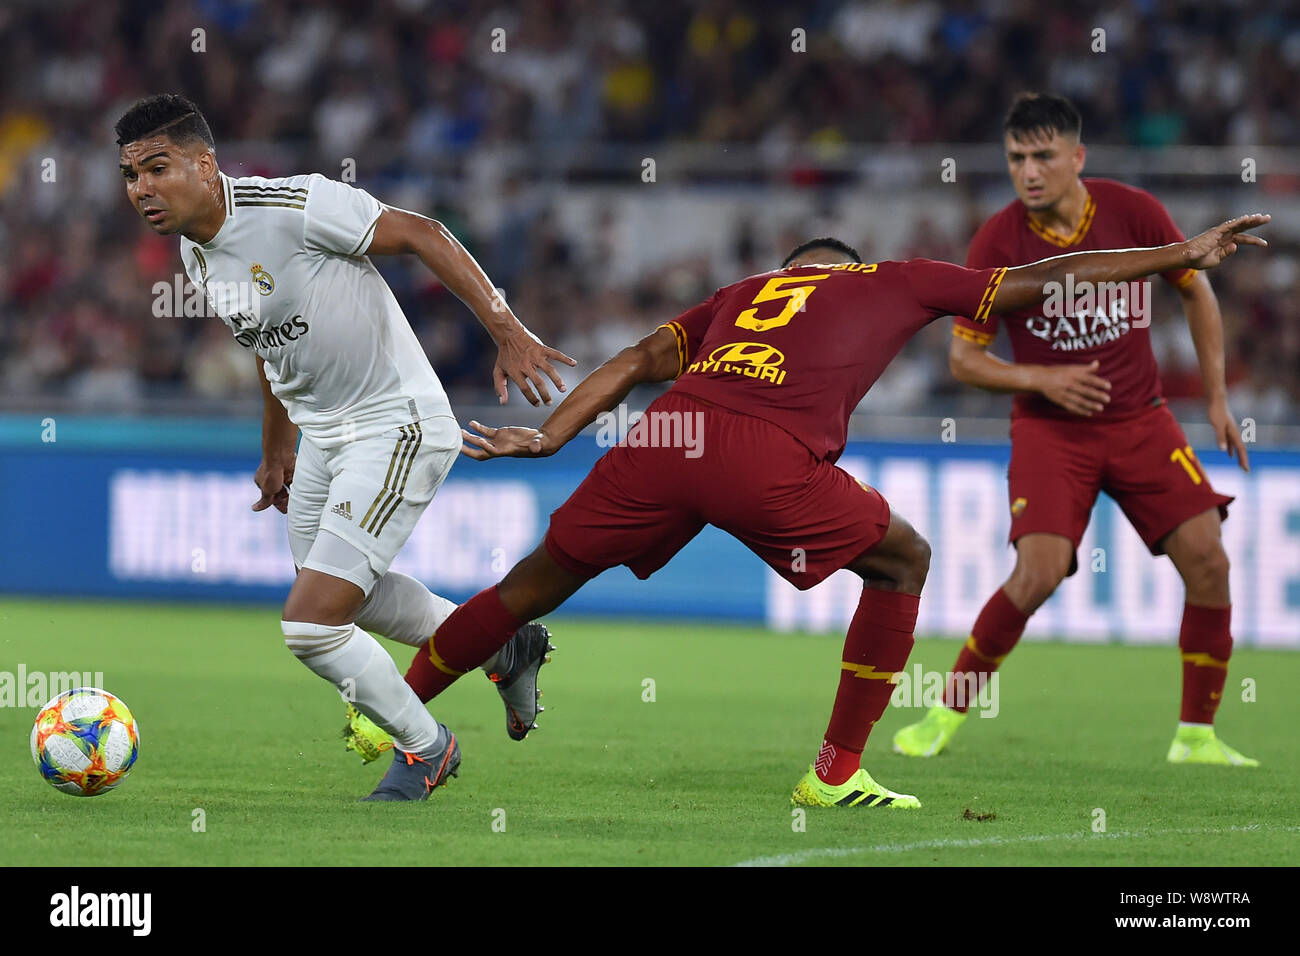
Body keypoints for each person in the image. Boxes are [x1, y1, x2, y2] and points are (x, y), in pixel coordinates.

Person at [399, 216, 1266, 808]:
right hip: (767, 457)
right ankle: (835, 772)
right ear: (846, 267)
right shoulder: (891, 279)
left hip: (665, 441)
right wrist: (1174, 254)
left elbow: (631, 359)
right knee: (903, 560)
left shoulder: (740, 294)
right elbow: (1042, 280)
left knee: (531, 585)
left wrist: (551, 437)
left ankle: (392, 713)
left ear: (787, 273)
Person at [117, 93, 569, 801]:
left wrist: (507, 330)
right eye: (130, 175)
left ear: (206, 166)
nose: (141, 187)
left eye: (156, 167)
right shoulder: (195, 254)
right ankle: (504, 644)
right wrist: (276, 450)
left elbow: (425, 233)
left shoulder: (291, 205)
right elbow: (267, 348)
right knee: (336, 602)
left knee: (308, 623)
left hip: (396, 421)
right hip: (324, 437)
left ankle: (427, 750)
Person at [893, 93, 1257, 767]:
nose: (1028, 171)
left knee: (1209, 560)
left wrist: (1215, 399)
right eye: (1016, 158)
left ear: (1077, 157)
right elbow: (963, 358)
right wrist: (1042, 380)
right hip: (1051, 431)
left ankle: (1196, 737)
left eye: (1043, 156)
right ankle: (943, 715)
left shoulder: (1132, 211)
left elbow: (1195, 289)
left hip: (1141, 421)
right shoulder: (997, 240)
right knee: (1039, 573)